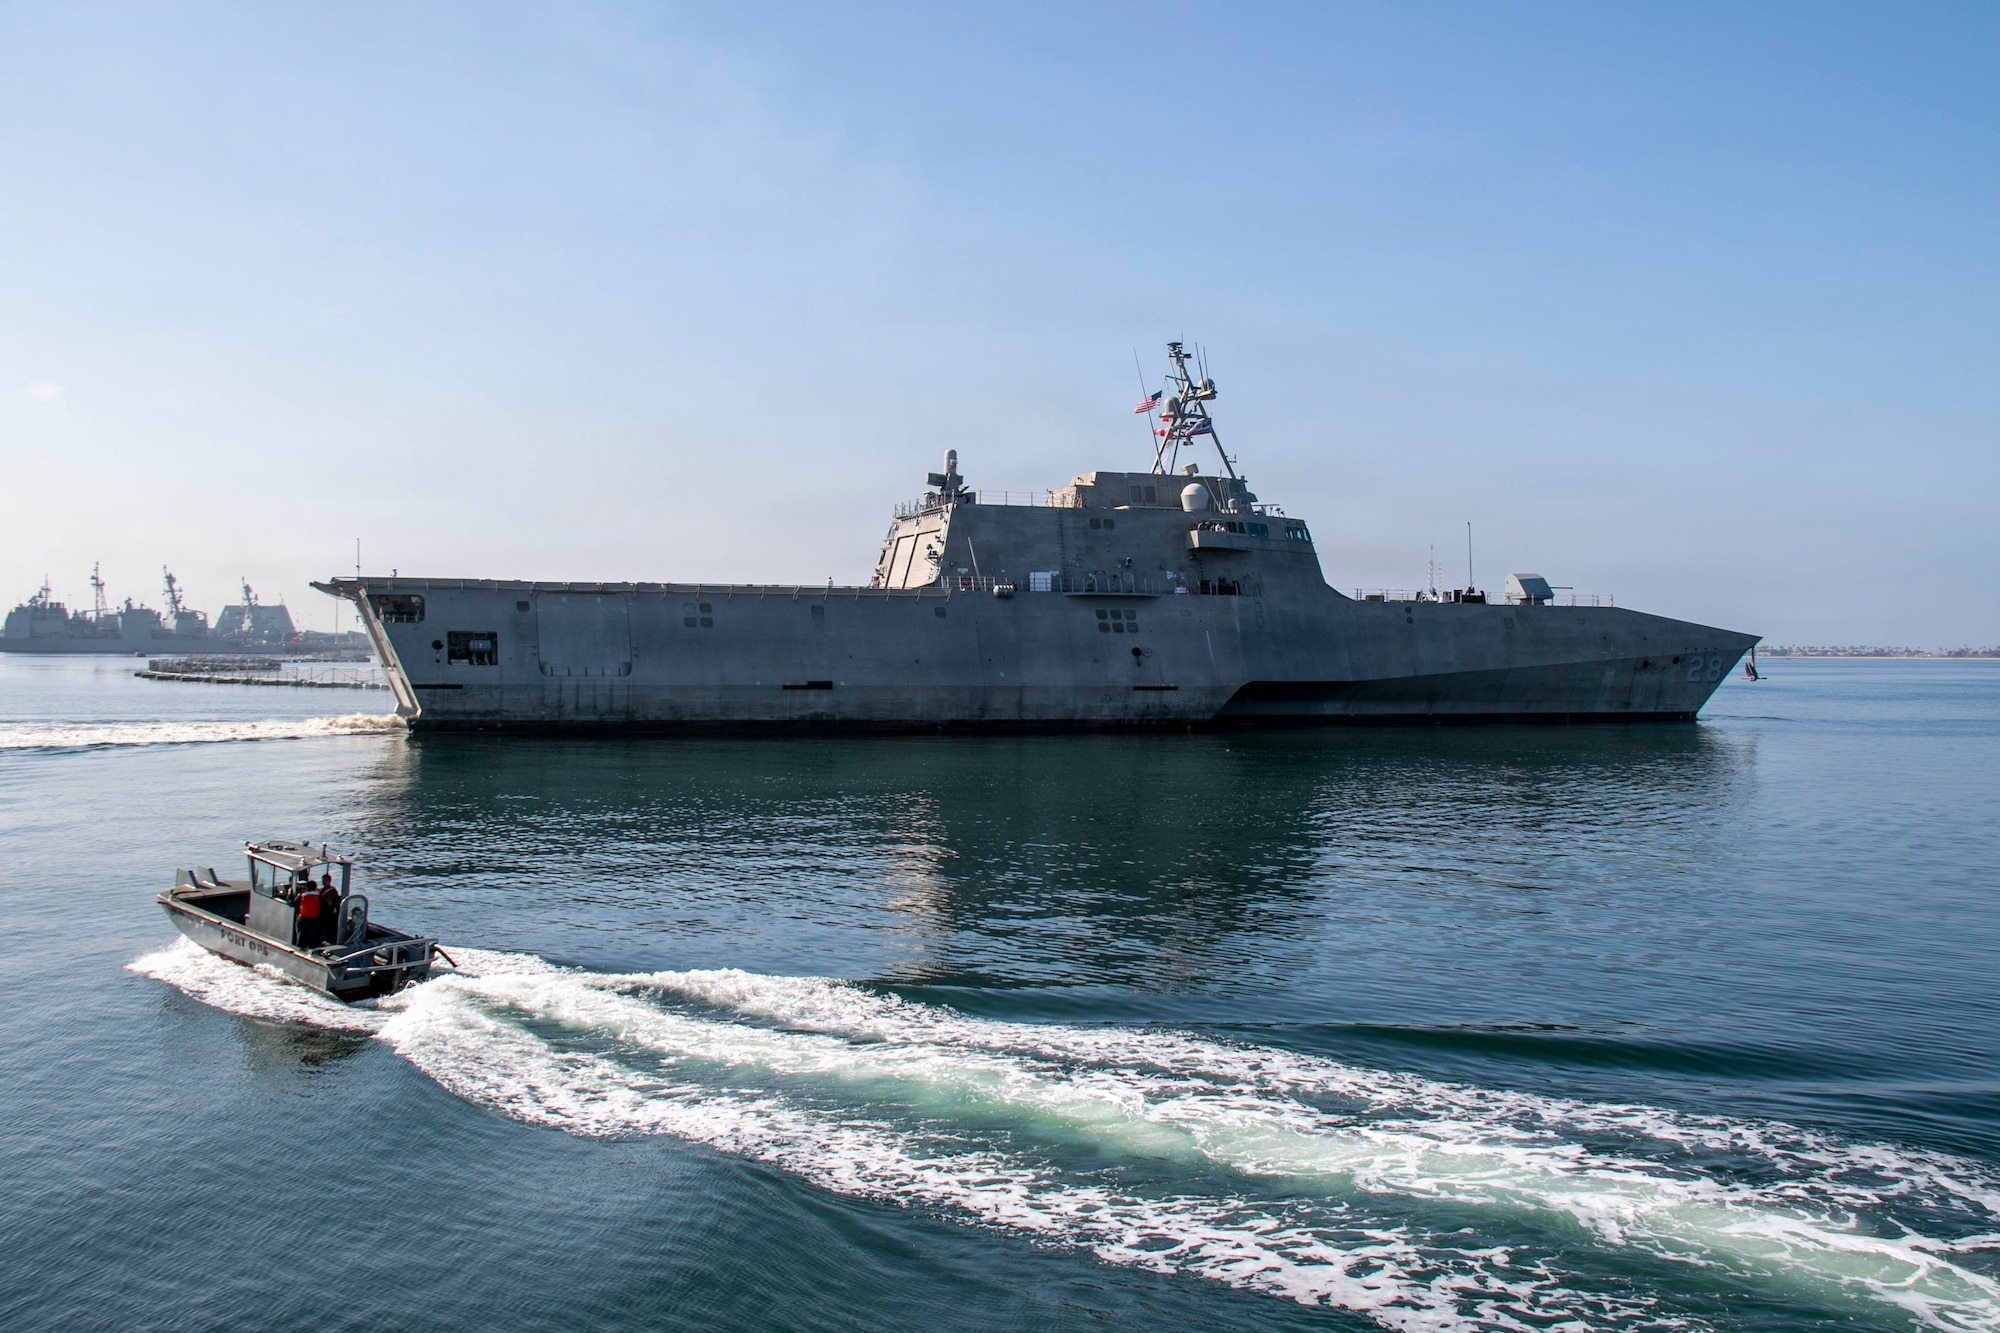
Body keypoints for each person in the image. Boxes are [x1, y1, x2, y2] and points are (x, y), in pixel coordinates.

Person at [296, 876, 322, 948]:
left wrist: (289, 896)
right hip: (314, 919)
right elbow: (324, 907)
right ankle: (312, 947)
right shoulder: (319, 897)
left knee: (301, 933)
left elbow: (293, 903)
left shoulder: (301, 896)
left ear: (307, 888)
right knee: (313, 936)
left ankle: (300, 947)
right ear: (315, 888)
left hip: (303, 918)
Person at [320, 873, 343, 946]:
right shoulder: (323, 890)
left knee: (326, 929)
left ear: (329, 881)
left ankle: (325, 941)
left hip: (328, 915)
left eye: (325, 880)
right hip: (322, 914)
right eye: (323, 880)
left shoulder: (331, 892)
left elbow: (330, 905)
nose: (324, 882)